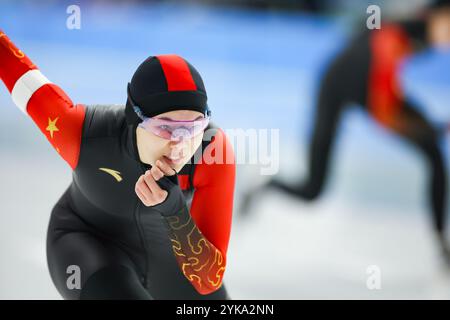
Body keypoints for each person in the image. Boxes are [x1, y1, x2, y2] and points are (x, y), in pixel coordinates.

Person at [0, 30, 236, 299]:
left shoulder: (211, 151)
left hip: (171, 259)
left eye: (193, 127)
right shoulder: (84, 132)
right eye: (166, 128)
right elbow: (20, 75)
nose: (180, 144)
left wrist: (176, 213)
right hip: (88, 249)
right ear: (134, 119)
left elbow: (208, 281)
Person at [241, 1, 450, 260]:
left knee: (434, 154)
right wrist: (425, 128)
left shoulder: (422, 35)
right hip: (336, 86)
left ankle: (442, 245)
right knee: (312, 190)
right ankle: (266, 183)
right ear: (434, 15)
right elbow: (383, 109)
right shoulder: (395, 34)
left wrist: (428, 128)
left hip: (369, 86)